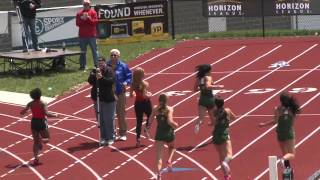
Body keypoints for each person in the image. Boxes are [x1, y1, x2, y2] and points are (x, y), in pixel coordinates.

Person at [259, 92, 300, 171]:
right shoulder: (292, 109)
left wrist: (264, 124)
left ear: (280, 100)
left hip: (280, 133)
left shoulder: (277, 109)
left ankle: (287, 168)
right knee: (291, 154)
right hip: (289, 133)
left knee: (285, 153)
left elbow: (275, 121)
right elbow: (296, 116)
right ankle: (281, 159)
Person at [20, 88, 57, 165]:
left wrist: (23, 111)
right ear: (40, 95)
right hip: (41, 122)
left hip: (34, 122)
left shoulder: (30, 103)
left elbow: (22, 112)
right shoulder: (43, 103)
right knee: (47, 139)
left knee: (35, 142)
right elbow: (47, 114)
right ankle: (40, 140)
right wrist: (55, 115)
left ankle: (36, 157)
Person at [147, 94, 178, 180]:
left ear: (159, 100)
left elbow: (150, 119)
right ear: (167, 101)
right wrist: (176, 125)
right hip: (169, 133)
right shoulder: (170, 109)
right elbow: (170, 121)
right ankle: (169, 160)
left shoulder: (155, 108)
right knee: (172, 147)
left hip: (159, 134)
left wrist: (148, 127)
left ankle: (159, 175)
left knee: (159, 157)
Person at [88, 56, 117, 146]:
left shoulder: (109, 70)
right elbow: (90, 81)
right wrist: (93, 75)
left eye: (101, 62)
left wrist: (101, 78)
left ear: (105, 62)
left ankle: (110, 137)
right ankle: (103, 137)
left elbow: (110, 82)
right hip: (98, 99)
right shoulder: (94, 71)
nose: (100, 64)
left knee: (108, 119)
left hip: (108, 99)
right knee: (100, 120)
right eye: (98, 62)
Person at [107, 49, 132, 141]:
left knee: (121, 113)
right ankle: (111, 133)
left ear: (118, 56)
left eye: (115, 55)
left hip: (120, 92)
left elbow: (129, 76)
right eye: (111, 55)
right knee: (110, 114)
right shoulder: (107, 65)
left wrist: (126, 82)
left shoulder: (123, 66)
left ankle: (123, 133)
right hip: (109, 93)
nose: (113, 57)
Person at [210, 96, 236, 180]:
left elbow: (213, 123)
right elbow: (234, 117)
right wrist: (226, 122)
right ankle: (225, 164)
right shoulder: (227, 110)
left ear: (215, 104)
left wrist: (210, 123)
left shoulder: (214, 112)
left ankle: (226, 176)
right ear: (223, 103)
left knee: (221, 156)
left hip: (215, 135)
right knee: (229, 156)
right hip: (224, 134)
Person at [194, 64, 223, 134]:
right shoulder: (208, 77)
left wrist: (201, 88)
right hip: (210, 100)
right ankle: (216, 133)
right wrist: (218, 86)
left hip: (202, 100)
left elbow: (195, 89)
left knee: (200, 118)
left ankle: (197, 124)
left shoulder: (199, 78)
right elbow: (208, 86)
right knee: (214, 119)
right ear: (208, 71)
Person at [129, 67, 152, 147]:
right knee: (151, 115)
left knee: (139, 121)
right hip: (146, 103)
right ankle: (146, 128)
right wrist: (150, 95)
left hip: (138, 104)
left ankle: (138, 139)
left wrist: (135, 94)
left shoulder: (133, 84)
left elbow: (131, 95)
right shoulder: (145, 83)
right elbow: (144, 96)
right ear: (141, 74)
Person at [76, 0, 99, 70]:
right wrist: (82, 19)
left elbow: (95, 22)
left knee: (94, 51)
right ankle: (82, 66)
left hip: (92, 35)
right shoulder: (79, 13)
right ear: (83, 5)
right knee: (83, 51)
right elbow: (77, 24)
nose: (86, 6)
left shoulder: (93, 12)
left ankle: (97, 65)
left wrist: (89, 18)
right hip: (82, 36)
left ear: (90, 5)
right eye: (84, 5)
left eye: (87, 4)